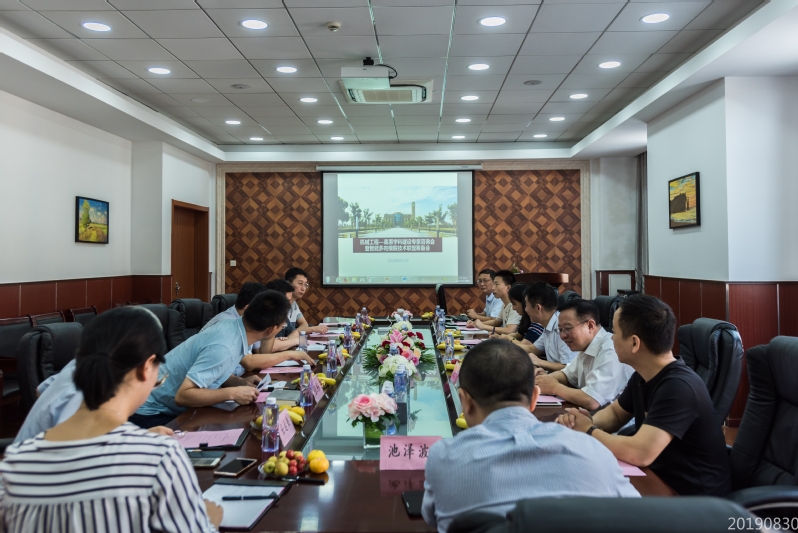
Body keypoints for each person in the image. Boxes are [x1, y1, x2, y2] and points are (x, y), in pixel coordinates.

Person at [0, 306, 222, 532]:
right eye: (159, 376)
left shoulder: (14, 463)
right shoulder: (159, 457)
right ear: (146, 368)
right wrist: (209, 522)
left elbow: (42, 391)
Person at [422, 339, 639, 533]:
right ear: (535, 397)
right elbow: (636, 512)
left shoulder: (443, 458)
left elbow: (431, 516)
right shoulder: (593, 451)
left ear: (464, 401)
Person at [556, 295, 732, 496]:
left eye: (615, 332)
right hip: (657, 478)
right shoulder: (643, 375)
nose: (611, 338)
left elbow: (640, 453)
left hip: (693, 498)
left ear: (634, 343)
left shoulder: (679, 387)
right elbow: (615, 414)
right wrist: (583, 421)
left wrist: (589, 430)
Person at [131, 290, 291, 428]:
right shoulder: (225, 346)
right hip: (149, 411)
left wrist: (237, 382)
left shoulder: (232, 328)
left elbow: (212, 369)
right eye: (282, 327)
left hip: (164, 405)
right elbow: (183, 396)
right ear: (271, 330)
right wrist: (232, 393)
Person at [13, 358, 173, 445]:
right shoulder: (83, 392)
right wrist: (141, 441)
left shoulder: (81, 364)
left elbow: (40, 390)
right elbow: (78, 449)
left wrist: (142, 436)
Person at [535, 299, 633, 411]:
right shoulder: (586, 347)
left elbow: (591, 400)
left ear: (590, 325)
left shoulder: (611, 350)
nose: (562, 336)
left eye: (567, 329)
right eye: (560, 330)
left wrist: (554, 387)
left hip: (609, 420)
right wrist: (542, 380)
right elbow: (568, 375)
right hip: (591, 416)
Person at [202, 280, 313, 372]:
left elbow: (262, 353)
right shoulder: (227, 324)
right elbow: (249, 363)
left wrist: (271, 328)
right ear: (248, 308)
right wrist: (289, 354)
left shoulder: (247, 323)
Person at [523, 282, 577, 371]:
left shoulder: (562, 327)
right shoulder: (548, 324)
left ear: (538, 308)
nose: (525, 309)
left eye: (526, 305)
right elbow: (531, 349)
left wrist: (539, 362)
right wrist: (506, 346)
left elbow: (570, 367)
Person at [466, 270, 520, 336]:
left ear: (508, 287)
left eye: (496, 284)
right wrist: (475, 324)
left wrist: (483, 326)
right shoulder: (504, 304)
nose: (493, 288)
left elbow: (509, 330)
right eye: (493, 284)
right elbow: (496, 322)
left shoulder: (515, 305)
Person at [285, 267, 328, 334]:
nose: (303, 289)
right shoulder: (278, 304)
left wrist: (294, 333)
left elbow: (304, 324)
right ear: (288, 284)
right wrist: (313, 329)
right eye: (300, 283)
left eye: (305, 285)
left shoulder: (294, 304)